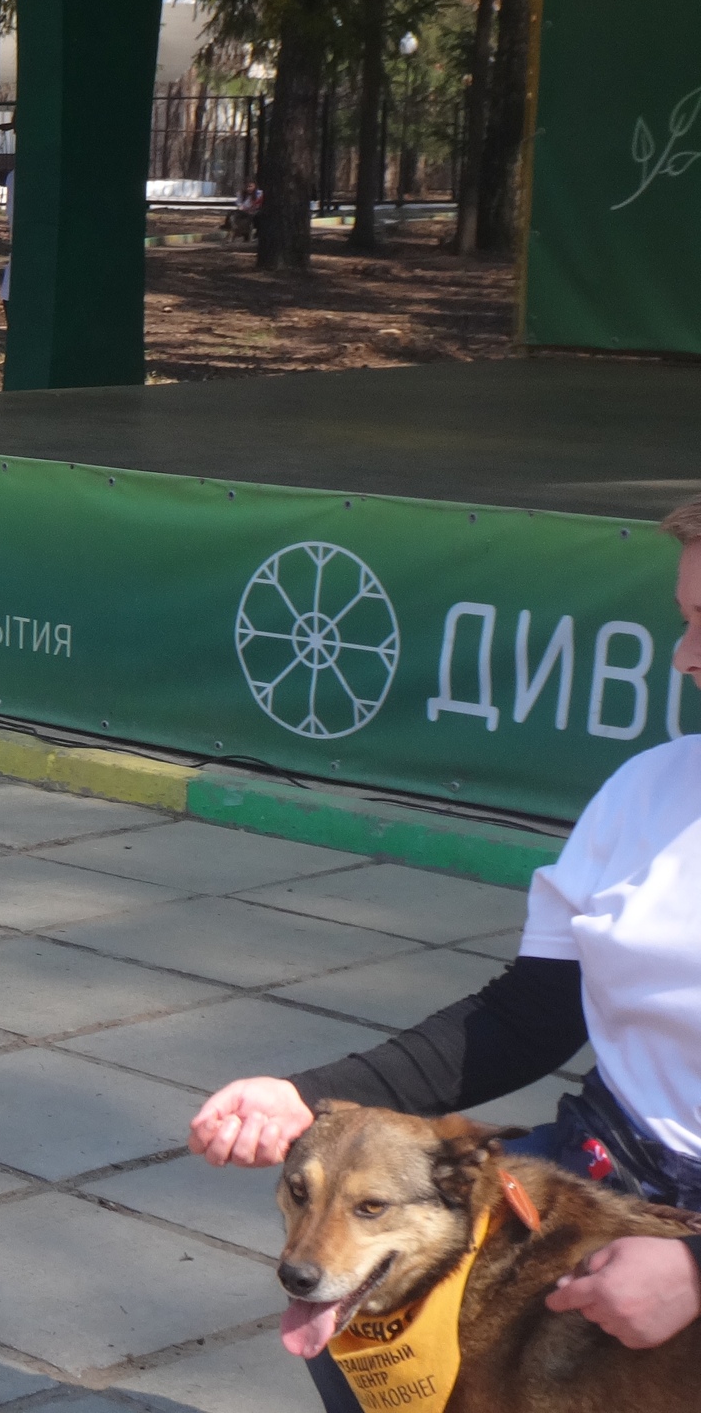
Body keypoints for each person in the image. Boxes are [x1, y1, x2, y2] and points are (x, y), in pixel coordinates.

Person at [191, 498, 701, 1407]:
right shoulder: (649, 788)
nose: (684, 657)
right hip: (600, 1169)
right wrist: (305, 1096)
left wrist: (694, 1270)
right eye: (687, 618)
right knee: (357, 1292)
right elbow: (526, 1016)